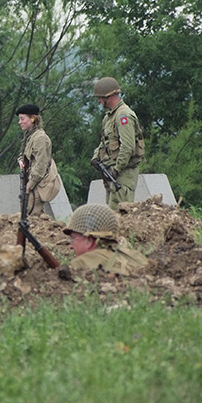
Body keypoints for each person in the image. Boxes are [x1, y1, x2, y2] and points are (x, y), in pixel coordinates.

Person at [91, 77, 144, 210]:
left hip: (122, 176)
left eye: (100, 97)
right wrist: (96, 156)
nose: (98, 101)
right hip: (112, 174)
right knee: (111, 213)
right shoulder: (109, 117)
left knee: (120, 216)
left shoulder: (123, 116)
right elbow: (104, 142)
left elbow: (127, 147)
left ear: (108, 97)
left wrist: (117, 170)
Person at [63, 203, 149, 275]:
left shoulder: (81, 263)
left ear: (89, 241)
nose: (70, 246)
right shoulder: (137, 256)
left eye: (73, 239)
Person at [16, 104, 59, 216]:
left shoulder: (40, 138)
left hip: (38, 184)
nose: (19, 122)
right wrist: (21, 161)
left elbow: (40, 166)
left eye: (22, 119)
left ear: (32, 118)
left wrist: (29, 186)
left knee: (31, 216)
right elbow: (23, 154)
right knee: (33, 216)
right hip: (32, 182)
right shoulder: (29, 136)